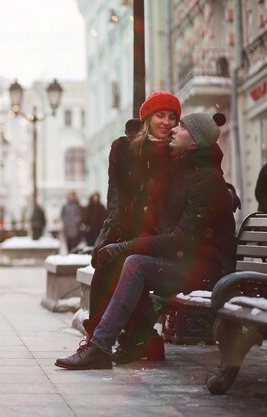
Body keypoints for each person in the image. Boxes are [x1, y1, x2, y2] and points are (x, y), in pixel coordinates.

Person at [55, 112, 237, 370]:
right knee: (124, 261)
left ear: (195, 141)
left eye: (181, 126)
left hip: (206, 270)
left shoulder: (205, 180)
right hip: (189, 261)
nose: (173, 128)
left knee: (135, 263)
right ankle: (129, 341)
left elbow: (181, 239)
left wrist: (124, 246)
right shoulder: (188, 168)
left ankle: (101, 346)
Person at [82, 91, 181, 363]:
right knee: (107, 260)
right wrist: (109, 236)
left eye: (172, 117)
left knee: (122, 262)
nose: (166, 122)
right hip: (125, 228)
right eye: (160, 115)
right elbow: (115, 197)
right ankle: (140, 340)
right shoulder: (123, 149)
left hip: (160, 236)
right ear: (147, 118)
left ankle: (111, 343)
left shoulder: (177, 153)